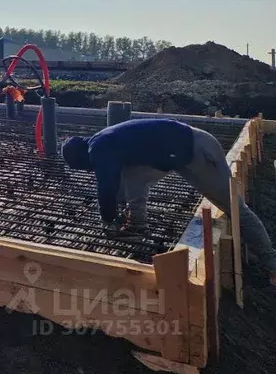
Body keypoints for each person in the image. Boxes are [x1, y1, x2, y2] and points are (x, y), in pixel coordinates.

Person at [62, 118, 276, 286]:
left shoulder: (98, 149)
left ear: (80, 160)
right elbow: (116, 183)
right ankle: (138, 226)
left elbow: (106, 186)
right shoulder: (103, 141)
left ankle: (272, 264)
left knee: (234, 208)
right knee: (132, 176)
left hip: (197, 150)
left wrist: (107, 221)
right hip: (177, 152)